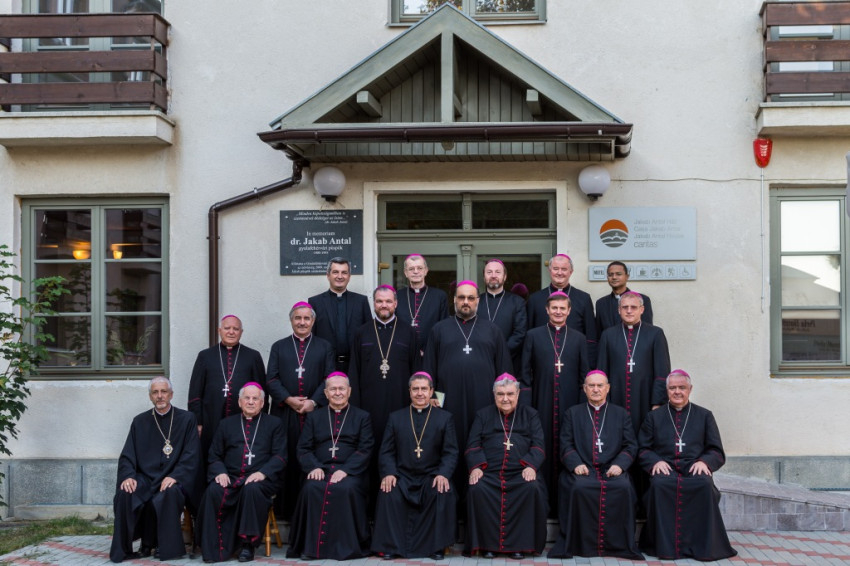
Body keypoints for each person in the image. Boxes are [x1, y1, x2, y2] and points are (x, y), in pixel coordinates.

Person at [422, 280, 512, 495]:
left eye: (471, 298)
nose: (465, 302)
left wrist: (500, 401)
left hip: (484, 402)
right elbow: (429, 369)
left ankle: (479, 492)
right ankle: (449, 493)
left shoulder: (492, 330)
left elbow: (504, 371)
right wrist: (435, 398)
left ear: (477, 301)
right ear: (454, 300)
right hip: (448, 401)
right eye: (461, 297)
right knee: (450, 445)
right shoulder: (439, 329)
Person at [638, 370, 737, 561]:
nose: (677, 391)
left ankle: (703, 546)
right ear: (667, 390)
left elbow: (716, 450)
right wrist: (655, 461)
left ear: (690, 389)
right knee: (660, 485)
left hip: (693, 467)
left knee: (704, 484)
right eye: (672, 388)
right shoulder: (654, 417)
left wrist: (704, 462)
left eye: (682, 387)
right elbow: (643, 449)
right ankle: (665, 547)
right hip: (666, 467)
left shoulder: (705, 415)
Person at [548, 370, 643, 560]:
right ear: (584, 389)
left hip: (612, 469)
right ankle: (580, 544)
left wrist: (620, 465)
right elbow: (565, 444)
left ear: (608, 388)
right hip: (583, 468)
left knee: (623, 487)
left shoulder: (621, 414)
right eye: (591, 385)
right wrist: (575, 464)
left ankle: (618, 545)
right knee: (578, 486)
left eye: (600, 385)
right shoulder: (572, 413)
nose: (596, 389)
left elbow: (630, 445)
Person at [110, 377, 199, 563]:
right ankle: (125, 549)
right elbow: (127, 454)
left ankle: (162, 546)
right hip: (145, 478)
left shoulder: (187, 419)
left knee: (168, 493)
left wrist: (175, 475)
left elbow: (192, 454)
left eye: (163, 392)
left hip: (174, 478)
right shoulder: (139, 421)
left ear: (171, 394)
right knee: (126, 492)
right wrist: (128, 476)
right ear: (150, 396)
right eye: (155, 392)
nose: (160, 396)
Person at [287, 372, 374, 560]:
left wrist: (345, 470)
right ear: (325, 393)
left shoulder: (362, 417)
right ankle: (310, 548)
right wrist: (314, 467)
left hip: (350, 473)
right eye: (333, 389)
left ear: (349, 391)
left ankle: (346, 547)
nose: (337, 392)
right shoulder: (314, 417)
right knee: (311, 488)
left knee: (346, 488)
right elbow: (303, 448)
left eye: (341, 388)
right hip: (320, 469)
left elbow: (365, 449)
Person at [371, 372, 458, 560]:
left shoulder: (444, 418)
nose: (420, 393)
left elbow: (451, 452)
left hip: (431, 476)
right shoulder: (396, 418)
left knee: (442, 491)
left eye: (424, 389)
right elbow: (386, 451)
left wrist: (443, 474)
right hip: (402, 476)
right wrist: (389, 473)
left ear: (431, 391)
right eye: (415, 389)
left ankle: (436, 547)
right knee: (388, 491)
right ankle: (391, 546)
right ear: (409, 391)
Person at [196, 383, 286, 563]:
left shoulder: (274, 424)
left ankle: (247, 545)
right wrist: (220, 472)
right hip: (231, 477)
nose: (251, 402)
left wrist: (262, 473)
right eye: (247, 398)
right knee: (214, 490)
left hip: (261, 480)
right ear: (239, 402)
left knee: (251, 489)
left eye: (255, 399)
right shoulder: (226, 424)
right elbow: (214, 455)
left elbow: (280, 456)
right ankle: (213, 546)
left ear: (262, 403)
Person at [349, 285, 418, 512]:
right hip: (368, 409)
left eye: (388, 301)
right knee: (369, 455)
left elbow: (416, 372)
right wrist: (356, 410)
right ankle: (369, 511)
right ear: (374, 303)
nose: (384, 305)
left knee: (399, 455)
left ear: (396, 303)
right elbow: (354, 372)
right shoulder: (361, 332)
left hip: (400, 407)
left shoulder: (409, 332)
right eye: (379, 301)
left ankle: (397, 508)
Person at [520, 290, 588, 515]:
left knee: (569, 446)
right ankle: (544, 501)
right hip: (541, 401)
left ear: (569, 311)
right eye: (554, 308)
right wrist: (528, 406)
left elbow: (584, 376)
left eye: (562, 308)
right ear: (547, 310)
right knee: (544, 447)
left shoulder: (578, 338)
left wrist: (581, 408)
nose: (558, 312)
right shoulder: (533, 335)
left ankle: (565, 503)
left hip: (570, 402)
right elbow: (525, 374)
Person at [465, 374, 547, 559]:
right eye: (500, 394)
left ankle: (520, 546)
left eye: (510, 394)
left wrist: (531, 466)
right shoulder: (483, 415)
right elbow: (473, 444)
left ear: (518, 394)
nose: (505, 399)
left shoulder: (530, 415)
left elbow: (538, 445)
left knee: (531, 488)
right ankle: (487, 546)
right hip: (489, 473)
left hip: (521, 472)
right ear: (494, 395)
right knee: (477, 489)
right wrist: (476, 467)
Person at [265, 301, 334, 520]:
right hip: (285, 413)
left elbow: (329, 378)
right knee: (286, 458)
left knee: (313, 458)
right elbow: (271, 379)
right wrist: (289, 400)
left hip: (315, 414)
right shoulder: (279, 346)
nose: (302, 322)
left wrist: (313, 402)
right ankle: (285, 512)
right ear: (291, 320)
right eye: (298, 318)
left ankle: (312, 513)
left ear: (313, 321)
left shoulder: (324, 346)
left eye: (306, 318)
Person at [188, 315, 266, 471]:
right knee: (210, 456)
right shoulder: (205, 356)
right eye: (227, 328)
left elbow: (262, 390)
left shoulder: (253, 356)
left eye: (235, 329)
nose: (231, 332)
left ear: (241, 332)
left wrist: (260, 419)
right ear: (219, 331)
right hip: (211, 418)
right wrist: (198, 422)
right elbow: (195, 392)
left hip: (243, 417)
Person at [596, 291, 669, 435]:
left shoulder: (655, 334)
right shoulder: (608, 335)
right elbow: (602, 371)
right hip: (616, 397)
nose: (629, 311)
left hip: (645, 397)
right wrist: (604, 401)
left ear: (642, 309)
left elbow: (662, 372)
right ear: (619, 310)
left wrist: (658, 402)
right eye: (625, 307)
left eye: (633, 307)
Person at [526, 254, 596, 364]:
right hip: (542, 361)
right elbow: (529, 334)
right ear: (549, 270)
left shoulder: (584, 298)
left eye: (564, 269)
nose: (559, 273)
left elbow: (591, 336)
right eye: (555, 269)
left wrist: (589, 365)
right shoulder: (535, 299)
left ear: (571, 272)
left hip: (574, 360)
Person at [308, 257, 372, 373]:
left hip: (355, 365)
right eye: (335, 272)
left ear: (349, 276)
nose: (340, 276)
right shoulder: (315, 302)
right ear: (328, 275)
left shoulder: (361, 301)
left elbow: (369, 334)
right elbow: (311, 336)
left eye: (344, 272)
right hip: (325, 365)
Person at [395, 254, 449, 356]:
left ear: (426, 271)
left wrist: (430, 350)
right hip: (402, 353)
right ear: (405, 273)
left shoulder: (439, 296)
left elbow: (444, 327)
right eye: (411, 269)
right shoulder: (397, 296)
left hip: (431, 353)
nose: (416, 272)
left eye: (420, 268)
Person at [481, 259, 527, 376]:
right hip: (479, 360)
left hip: (508, 361)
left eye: (498, 272)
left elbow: (519, 333)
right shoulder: (476, 301)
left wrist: (501, 353)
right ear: (484, 277)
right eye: (489, 272)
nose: (493, 275)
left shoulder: (517, 302)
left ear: (505, 277)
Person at [595, 261, 654, 339]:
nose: (614, 277)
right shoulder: (601, 303)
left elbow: (648, 330)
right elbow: (599, 333)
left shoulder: (642, 299)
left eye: (618, 274)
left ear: (627, 277)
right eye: (610, 274)